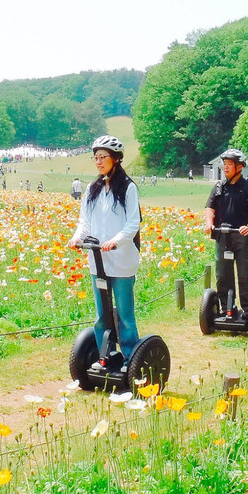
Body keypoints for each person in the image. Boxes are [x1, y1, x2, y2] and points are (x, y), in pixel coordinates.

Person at [67, 135, 142, 367]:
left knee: (125, 314)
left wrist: (115, 241)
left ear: (116, 159)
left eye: (103, 157)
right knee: (101, 314)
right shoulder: (92, 188)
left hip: (121, 259)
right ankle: (105, 355)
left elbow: (133, 223)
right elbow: (84, 221)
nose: (98, 162)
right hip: (97, 259)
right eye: (96, 157)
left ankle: (131, 358)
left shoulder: (128, 188)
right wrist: (77, 237)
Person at [204, 149, 248, 317]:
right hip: (223, 236)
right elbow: (210, 207)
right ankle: (226, 309)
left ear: (239, 167)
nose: (226, 168)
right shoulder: (219, 187)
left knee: (245, 275)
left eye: (229, 165)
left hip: (242, 236)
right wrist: (209, 224)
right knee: (223, 275)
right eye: (225, 164)